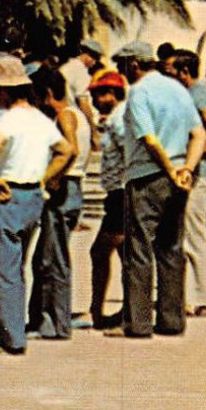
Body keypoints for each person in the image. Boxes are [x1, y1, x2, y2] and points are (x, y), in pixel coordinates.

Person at [0, 56, 70, 355]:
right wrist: (44, 178)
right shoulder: (40, 119)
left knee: (4, 270)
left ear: (1, 91)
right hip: (32, 197)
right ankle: (12, 329)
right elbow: (65, 150)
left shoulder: (7, 119)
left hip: (8, 197)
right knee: (16, 267)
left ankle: (12, 339)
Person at [115, 40, 198, 338]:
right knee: (171, 247)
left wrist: (170, 170)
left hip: (148, 175)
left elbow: (149, 139)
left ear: (134, 65)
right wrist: (185, 169)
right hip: (177, 176)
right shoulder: (177, 89)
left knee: (139, 248)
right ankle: (171, 319)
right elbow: (199, 134)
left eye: (121, 66)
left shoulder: (140, 92)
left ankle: (138, 322)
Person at [27, 67, 87, 340]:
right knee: (45, 256)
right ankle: (43, 317)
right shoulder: (78, 115)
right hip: (71, 188)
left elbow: (71, 150)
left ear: (47, 94)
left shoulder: (65, 115)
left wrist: (51, 177)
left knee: (54, 259)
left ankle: (56, 323)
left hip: (65, 188)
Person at [170, 51, 206, 319]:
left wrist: (200, 145)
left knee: (193, 236)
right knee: (193, 234)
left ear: (184, 72)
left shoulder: (197, 95)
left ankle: (198, 297)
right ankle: (195, 295)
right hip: (205, 171)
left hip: (200, 173)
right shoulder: (199, 92)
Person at [86, 70, 129, 330]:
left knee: (100, 251)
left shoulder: (120, 118)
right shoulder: (115, 117)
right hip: (117, 191)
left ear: (113, 94)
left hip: (121, 192)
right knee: (126, 254)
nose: (96, 100)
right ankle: (128, 308)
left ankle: (98, 310)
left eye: (100, 94)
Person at [56, 40, 104, 138]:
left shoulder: (66, 67)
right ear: (86, 55)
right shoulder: (80, 71)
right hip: (78, 122)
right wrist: (94, 133)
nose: (95, 62)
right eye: (95, 58)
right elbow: (83, 103)